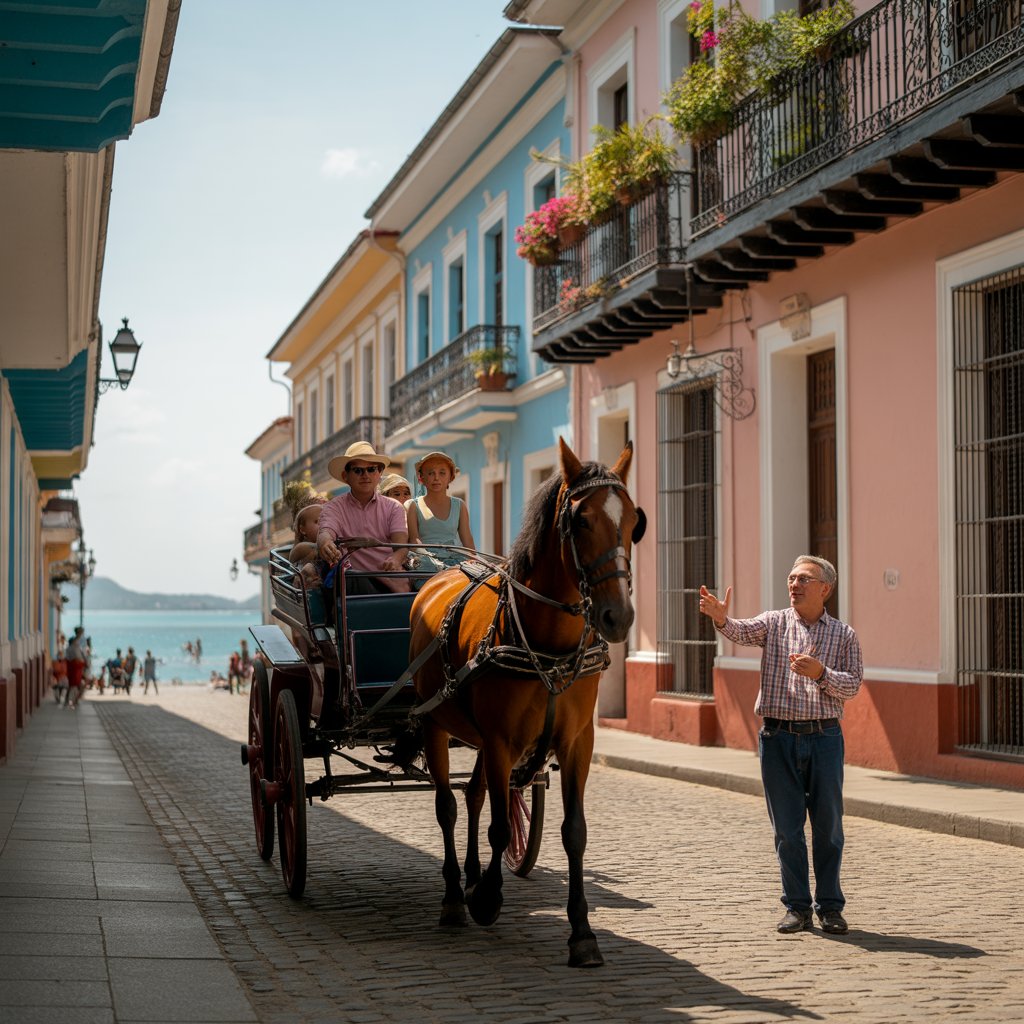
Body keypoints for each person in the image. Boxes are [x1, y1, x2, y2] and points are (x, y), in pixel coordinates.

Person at [698, 555, 863, 936]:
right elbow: (740, 631)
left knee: (829, 828)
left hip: (825, 739)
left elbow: (852, 685)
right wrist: (721, 618)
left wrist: (821, 673)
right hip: (777, 738)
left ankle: (830, 908)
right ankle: (797, 907)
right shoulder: (773, 623)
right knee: (787, 830)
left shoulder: (844, 635)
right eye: (791, 578)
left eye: (804, 579)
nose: (794, 584)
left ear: (825, 588)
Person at [316, 441, 409, 594]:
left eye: (371, 469)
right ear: (346, 476)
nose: (365, 475)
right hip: (354, 583)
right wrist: (325, 543)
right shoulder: (334, 507)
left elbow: (401, 548)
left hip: (391, 582)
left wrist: (396, 559)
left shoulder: (394, 507)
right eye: (358, 470)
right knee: (351, 578)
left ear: (379, 473)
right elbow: (326, 531)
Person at [405, 451, 476, 569]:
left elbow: (468, 542)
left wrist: (475, 562)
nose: (436, 478)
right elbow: (414, 542)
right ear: (421, 478)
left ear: (451, 478)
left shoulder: (459, 505)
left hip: (456, 562)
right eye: (430, 473)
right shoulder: (412, 505)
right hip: (426, 563)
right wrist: (432, 562)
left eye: (442, 473)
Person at [289, 503, 323, 585]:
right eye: (317, 521)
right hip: (307, 590)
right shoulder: (301, 547)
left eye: (326, 521)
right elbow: (320, 548)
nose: (324, 524)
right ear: (302, 529)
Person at [65, 627, 86, 708]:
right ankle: (74, 700)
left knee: (73, 686)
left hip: (76, 668)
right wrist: (78, 634)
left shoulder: (72, 648)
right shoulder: (72, 648)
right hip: (75, 668)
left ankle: (72, 700)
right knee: (77, 685)